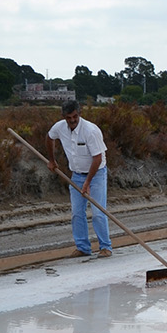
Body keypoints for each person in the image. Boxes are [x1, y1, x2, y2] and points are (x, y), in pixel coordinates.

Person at [47, 100, 112, 258]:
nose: (72, 120)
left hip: (96, 175)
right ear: (64, 117)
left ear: (79, 113)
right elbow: (49, 138)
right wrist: (52, 160)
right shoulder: (59, 127)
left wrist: (88, 183)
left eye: (75, 116)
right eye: (69, 117)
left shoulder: (90, 131)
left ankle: (105, 247)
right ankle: (83, 247)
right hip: (76, 175)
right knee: (77, 213)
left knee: (98, 212)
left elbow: (97, 158)